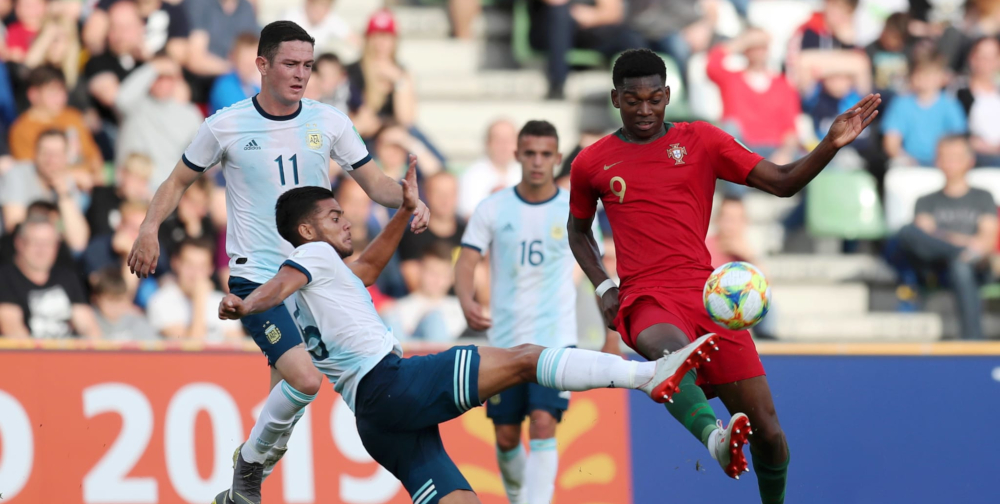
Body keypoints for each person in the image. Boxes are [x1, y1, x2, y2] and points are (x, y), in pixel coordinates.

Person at [212, 160, 718, 504]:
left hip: (376, 419)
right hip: (393, 384)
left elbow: (366, 268)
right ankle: (647, 376)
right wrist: (246, 304)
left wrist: (404, 211)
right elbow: (279, 284)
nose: (347, 223)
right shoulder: (310, 257)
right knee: (524, 359)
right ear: (307, 231)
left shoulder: (322, 273)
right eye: (334, 217)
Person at [127, 20, 430, 497]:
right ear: (262, 65)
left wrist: (408, 198)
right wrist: (149, 229)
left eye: (308, 65)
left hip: (315, 279)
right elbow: (176, 182)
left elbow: (375, 184)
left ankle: (244, 486)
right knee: (304, 380)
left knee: (285, 402)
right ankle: (248, 467)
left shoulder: (329, 121)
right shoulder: (224, 124)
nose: (300, 74)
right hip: (259, 278)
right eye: (290, 64)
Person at [567, 49, 879, 503]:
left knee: (769, 433)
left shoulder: (701, 140)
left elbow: (782, 181)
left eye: (655, 99)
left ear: (668, 95)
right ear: (616, 99)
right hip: (645, 297)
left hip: (708, 297)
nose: (645, 110)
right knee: (670, 357)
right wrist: (603, 285)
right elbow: (578, 232)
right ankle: (715, 438)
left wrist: (829, 144)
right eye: (633, 101)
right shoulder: (592, 162)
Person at [455, 120, 616, 504]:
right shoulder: (494, 207)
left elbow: (597, 271)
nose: (538, 161)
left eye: (545, 154)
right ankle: (518, 497)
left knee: (544, 423)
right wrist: (466, 299)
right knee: (506, 436)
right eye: (530, 153)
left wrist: (611, 334)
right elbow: (467, 259)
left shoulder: (575, 210)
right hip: (504, 341)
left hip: (555, 339)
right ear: (517, 156)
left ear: (558, 158)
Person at [897, 136, 997, 340]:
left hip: (976, 268)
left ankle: (972, 341)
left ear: (969, 161)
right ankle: (958, 254)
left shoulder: (983, 197)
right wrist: (965, 247)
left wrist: (940, 235)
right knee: (906, 232)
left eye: (955, 157)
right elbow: (920, 239)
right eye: (944, 157)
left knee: (960, 266)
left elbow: (986, 243)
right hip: (938, 268)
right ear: (937, 161)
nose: (949, 163)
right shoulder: (925, 200)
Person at [0, 217, 101, 339]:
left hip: (68, 349)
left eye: (48, 243)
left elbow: (89, 327)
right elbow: (12, 330)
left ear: (57, 246)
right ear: (19, 243)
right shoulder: (4, 278)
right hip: (31, 350)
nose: (42, 250)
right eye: (36, 242)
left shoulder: (67, 276)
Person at [115, 56, 204, 190]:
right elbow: (120, 100)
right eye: (158, 77)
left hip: (166, 191)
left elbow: (202, 154)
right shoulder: (135, 104)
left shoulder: (190, 114)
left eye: (169, 77)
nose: (162, 83)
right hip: (129, 188)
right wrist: (153, 67)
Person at [8, 66, 104, 184]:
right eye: (53, 92)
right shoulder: (21, 129)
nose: (61, 98)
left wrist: (96, 177)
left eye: (63, 91)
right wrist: (72, 177)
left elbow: (93, 156)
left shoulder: (73, 117)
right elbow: (32, 174)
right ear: (33, 95)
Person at [0, 129, 90, 253]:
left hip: (50, 251)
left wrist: (64, 195)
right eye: (46, 153)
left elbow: (78, 243)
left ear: (66, 157)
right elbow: (14, 229)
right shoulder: (17, 174)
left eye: (57, 154)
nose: (51, 160)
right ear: (35, 154)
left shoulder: (67, 181)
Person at [146, 237, 244, 341]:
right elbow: (192, 347)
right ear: (176, 263)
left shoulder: (223, 302)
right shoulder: (161, 301)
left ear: (210, 269)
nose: (195, 274)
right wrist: (199, 299)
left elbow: (237, 345)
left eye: (201, 267)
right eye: (189, 265)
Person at [882, 53, 967, 167]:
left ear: (942, 77)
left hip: (943, 164)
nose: (925, 79)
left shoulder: (950, 105)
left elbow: (958, 141)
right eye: (920, 73)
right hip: (909, 164)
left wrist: (945, 161)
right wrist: (906, 160)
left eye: (930, 74)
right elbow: (891, 142)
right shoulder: (901, 103)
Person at [382, 242, 466, 342]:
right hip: (407, 347)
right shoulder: (398, 309)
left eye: (443, 274)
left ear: (452, 277)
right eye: (432, 272)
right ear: (420, 271)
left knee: (435, 320)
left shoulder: (463, 310)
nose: (437, 279)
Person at [399, 171, 464, 292]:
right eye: (439, 193)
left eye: (451, 193)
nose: (445, 200)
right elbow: (415, 286)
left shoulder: (470, 234)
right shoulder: (412, 237)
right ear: (426, 195)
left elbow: (482, 283)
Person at [458, 119, 521, 219]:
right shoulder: (471, 176)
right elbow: (470, 218)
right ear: (487, 143)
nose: (504, 146)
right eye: (498, 140)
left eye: (509, 140)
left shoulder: (524, 173)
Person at [90, 265, 158, 341]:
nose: (115, 306)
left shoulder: (137, 322)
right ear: (96, 299)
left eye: (119, 300)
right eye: (111, 300)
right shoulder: (89, 321)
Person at [209, 33, 262, 115]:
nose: (251, 65)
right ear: (233, 57)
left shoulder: (255, 87)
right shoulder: (225, 86)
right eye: (246, 60)